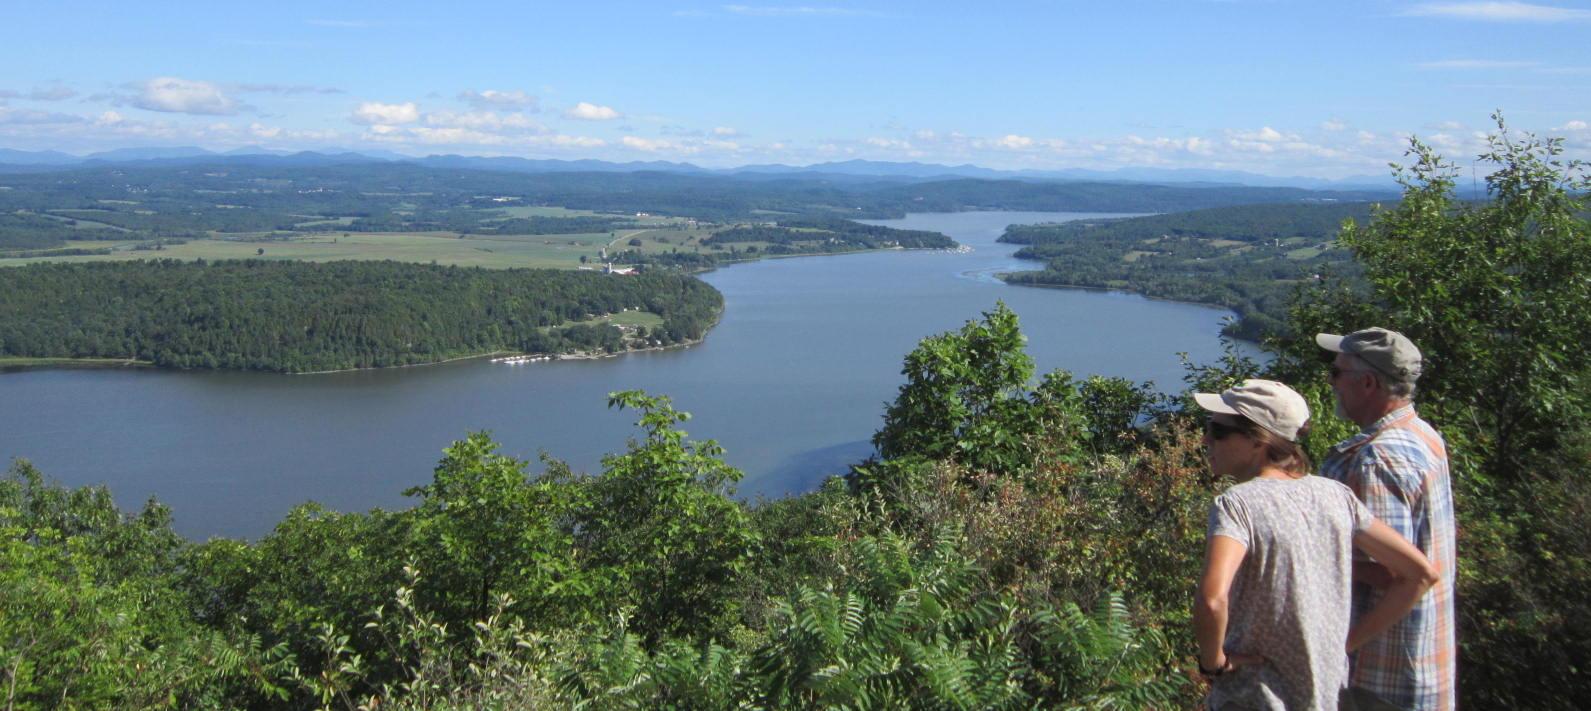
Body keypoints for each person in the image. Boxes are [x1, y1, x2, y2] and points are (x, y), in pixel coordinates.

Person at [1193, 379, 1438, 711]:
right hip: (1324, 693)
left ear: (1258, 440)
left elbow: (1211, 599)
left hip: (1253, 695)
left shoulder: (1237, 505)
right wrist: (1345, 645)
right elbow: (1420, 574)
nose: (1206, 438)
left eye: (1218, 430)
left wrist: (1213, 663)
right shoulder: (1335, 496)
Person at [1316, 329, 1456, 710]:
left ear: (1367, 382)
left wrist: (1311, 554)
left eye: (1335, 373)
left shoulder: (1379, 459)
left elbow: (1391, 573)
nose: (1331, 383)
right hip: (1419, 662)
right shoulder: (1422, 435)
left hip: (1377, 677)